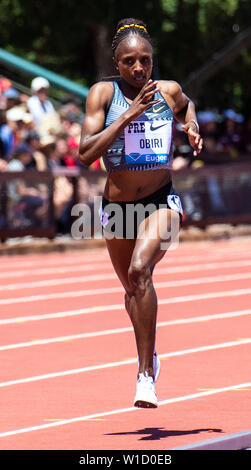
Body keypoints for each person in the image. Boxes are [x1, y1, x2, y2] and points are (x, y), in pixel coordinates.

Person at [78, 18, 203, 408]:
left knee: (139, 271)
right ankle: (152, 358)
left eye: (145, 61)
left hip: (161, 200)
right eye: (130, 61)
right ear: (116, 63)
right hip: (117, 208)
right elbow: (85, 154)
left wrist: (192, 124)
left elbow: (187, 107)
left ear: (152, 62)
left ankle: (144, 375)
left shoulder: (167, 91)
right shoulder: (103, 94)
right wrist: (128, 115)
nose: (138, 68)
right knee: (132, 291)